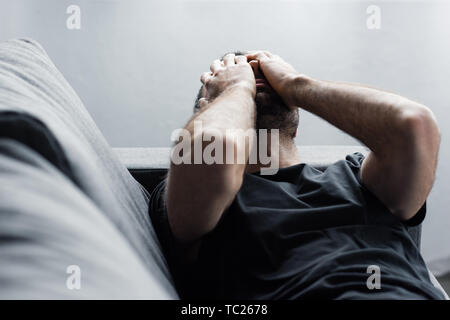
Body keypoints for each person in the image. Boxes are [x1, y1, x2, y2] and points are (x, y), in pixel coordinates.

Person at [149, 51, 445, 299]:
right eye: (239, 74)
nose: (251, 77)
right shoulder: (197, 194)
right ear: (207, 108)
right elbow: (216, 143)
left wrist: (295, 84)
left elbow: (414, 124)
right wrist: (234, 90)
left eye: (258, 73)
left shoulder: (360, 176)